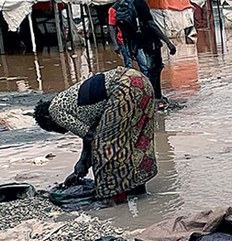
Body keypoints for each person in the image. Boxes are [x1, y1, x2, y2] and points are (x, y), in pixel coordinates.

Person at [33, 67, 157, 201]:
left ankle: (114, 197)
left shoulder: (55, 111)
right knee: (137, 140)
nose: (60, 132)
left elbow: (93, 138)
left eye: (51, 128)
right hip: (140, 81)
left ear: (47, 118)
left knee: (105, 148)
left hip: (123, 88)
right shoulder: (72, 105)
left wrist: (83, 163)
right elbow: (91, 134)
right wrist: (83, 163)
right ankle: (138, 190)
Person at [120, 0, 176, 110]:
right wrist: (167, 41)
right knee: (154, 70)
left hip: (136, 44)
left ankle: (151, 97)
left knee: (148, 70)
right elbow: (151, 24)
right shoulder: (140, 2)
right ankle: (156, 99)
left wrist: (130, 48)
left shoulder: (121, 4)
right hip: (149, 42)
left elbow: (122, 29)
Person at [108, 0, 132, 67]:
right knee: (129, 64)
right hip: (122, 40)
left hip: (135, 39)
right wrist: (115, 44)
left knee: (144, 64)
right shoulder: (114, 9)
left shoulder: (132, 5)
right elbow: (112, 27)